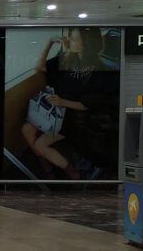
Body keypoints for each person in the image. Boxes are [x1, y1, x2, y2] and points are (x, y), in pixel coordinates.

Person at [21, 27, 113, 179]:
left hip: (75, 116)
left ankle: (72, 172)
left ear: (87, 44)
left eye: (74, 39)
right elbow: (39, 67)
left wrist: (63, 102)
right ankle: (47, 167)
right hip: (57, 110)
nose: (70, 41)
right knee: (26, 129)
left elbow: (89, 104)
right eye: (70, 38)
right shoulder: (69, 58)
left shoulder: (98, 69)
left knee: (40, 144)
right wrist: (50, 43)